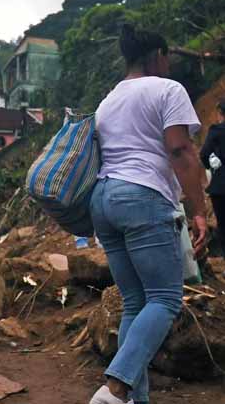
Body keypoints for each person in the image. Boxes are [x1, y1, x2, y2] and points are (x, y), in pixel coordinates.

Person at [88, 24, 208, 404]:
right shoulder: (167, 90)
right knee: (165, 299)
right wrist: (200, 211)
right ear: (157, 55)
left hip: (104, 201)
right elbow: (180, 151)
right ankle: (114, 389)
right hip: (143, 197)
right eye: (167, 57)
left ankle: (130, 400)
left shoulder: (108, 100)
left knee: (136, 303)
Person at [200, 101, 225, 247]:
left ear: (220, 113)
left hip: (221, 185)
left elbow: (204, 154)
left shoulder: (216, 130)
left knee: (223, 225)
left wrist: (213, 169)